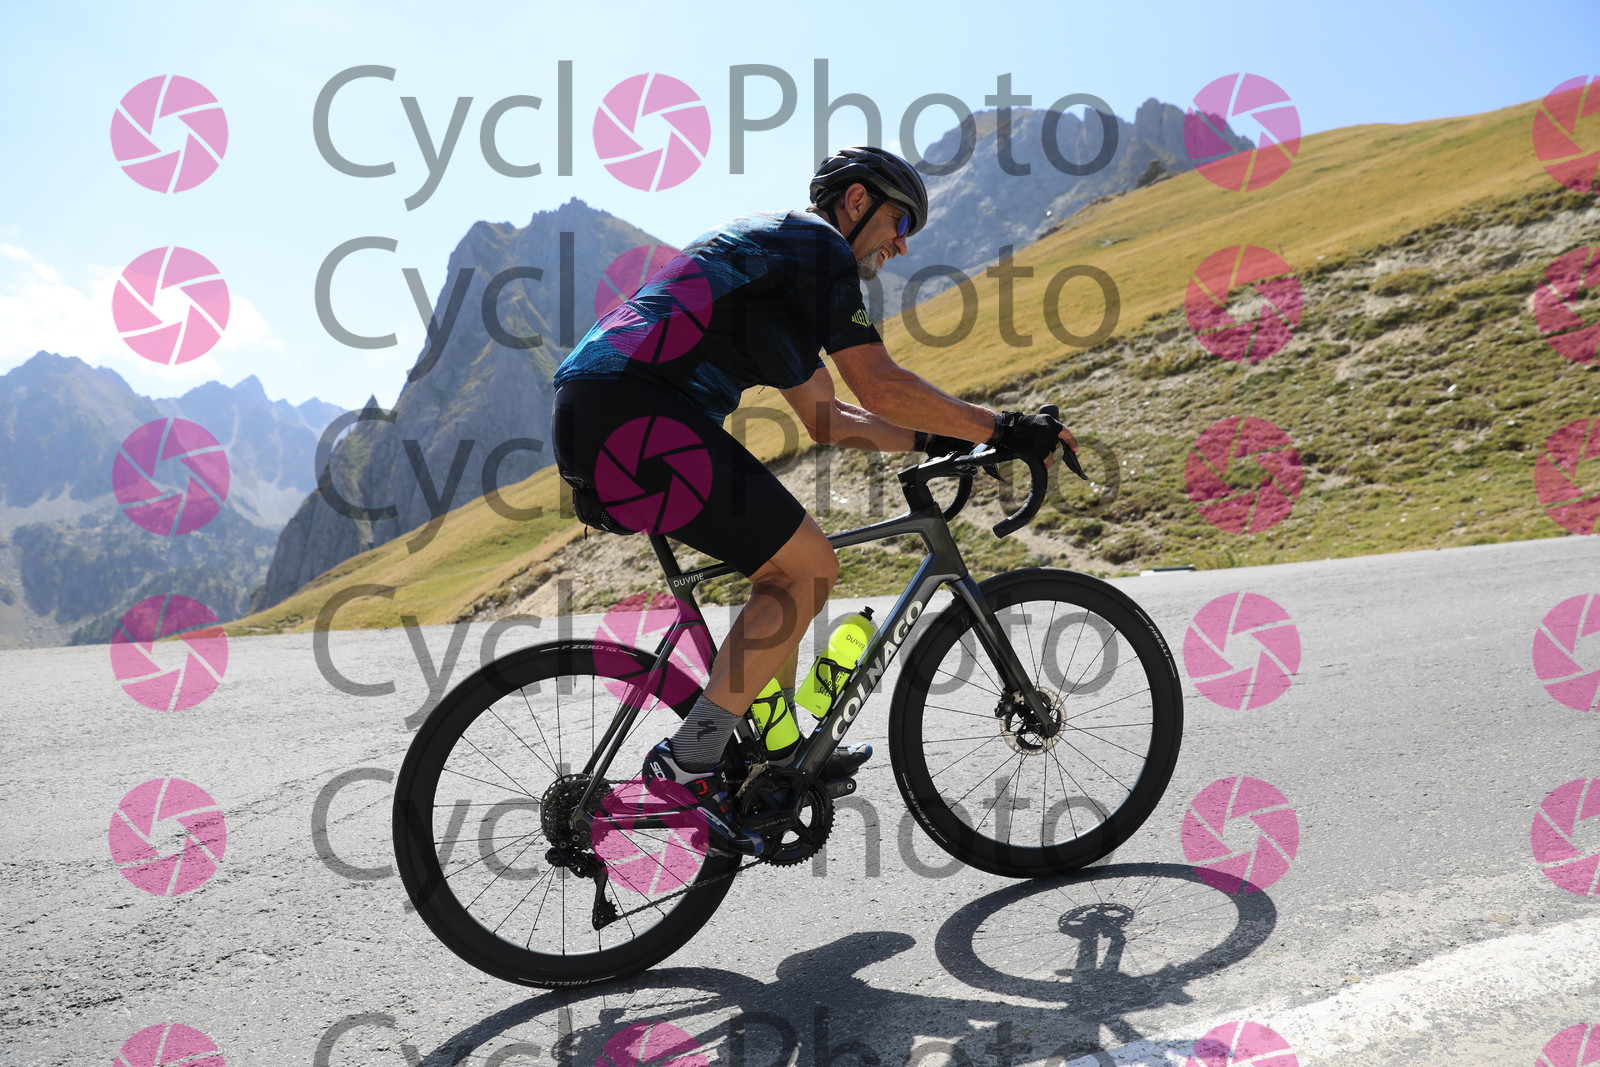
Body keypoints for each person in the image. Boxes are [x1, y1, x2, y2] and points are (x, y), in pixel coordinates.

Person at [550, 146, 1077, 855]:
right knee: (807, 568)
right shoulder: (817, 245)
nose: (903, 243)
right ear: (855, 202)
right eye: (899, 221)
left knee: (789, 572)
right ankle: (688, 762)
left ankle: (771, 752)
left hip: (603, 412)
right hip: (635, 414)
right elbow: (880, 385)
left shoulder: (774, 263)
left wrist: (937, 440)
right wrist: (1004, 428)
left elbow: (830, 419)